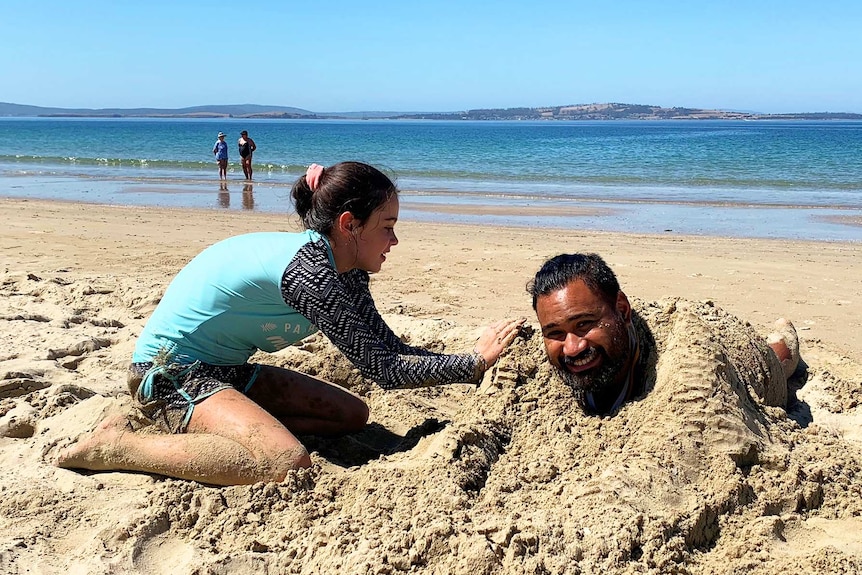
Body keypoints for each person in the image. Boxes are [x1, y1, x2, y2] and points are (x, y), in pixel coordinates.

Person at [57, 161, 524, 485]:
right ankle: (116, 445)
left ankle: (232, 425)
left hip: (226, 372)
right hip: (168, 374)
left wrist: (470, 361)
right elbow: (385, 371)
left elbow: (386, 348)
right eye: (387, 224)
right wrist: (475, 362)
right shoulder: (310, 273)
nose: (395, 239)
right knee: (287, 463)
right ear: (349, 224)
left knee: (352, 416)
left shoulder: (346, 269)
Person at [527, 253, 799, 415]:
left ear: (622, 310)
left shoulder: (689, 378)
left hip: (720, 348)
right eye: (555, 333)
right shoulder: (533, 379)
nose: (572, 347)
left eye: (584, 325)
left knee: (777, 357)